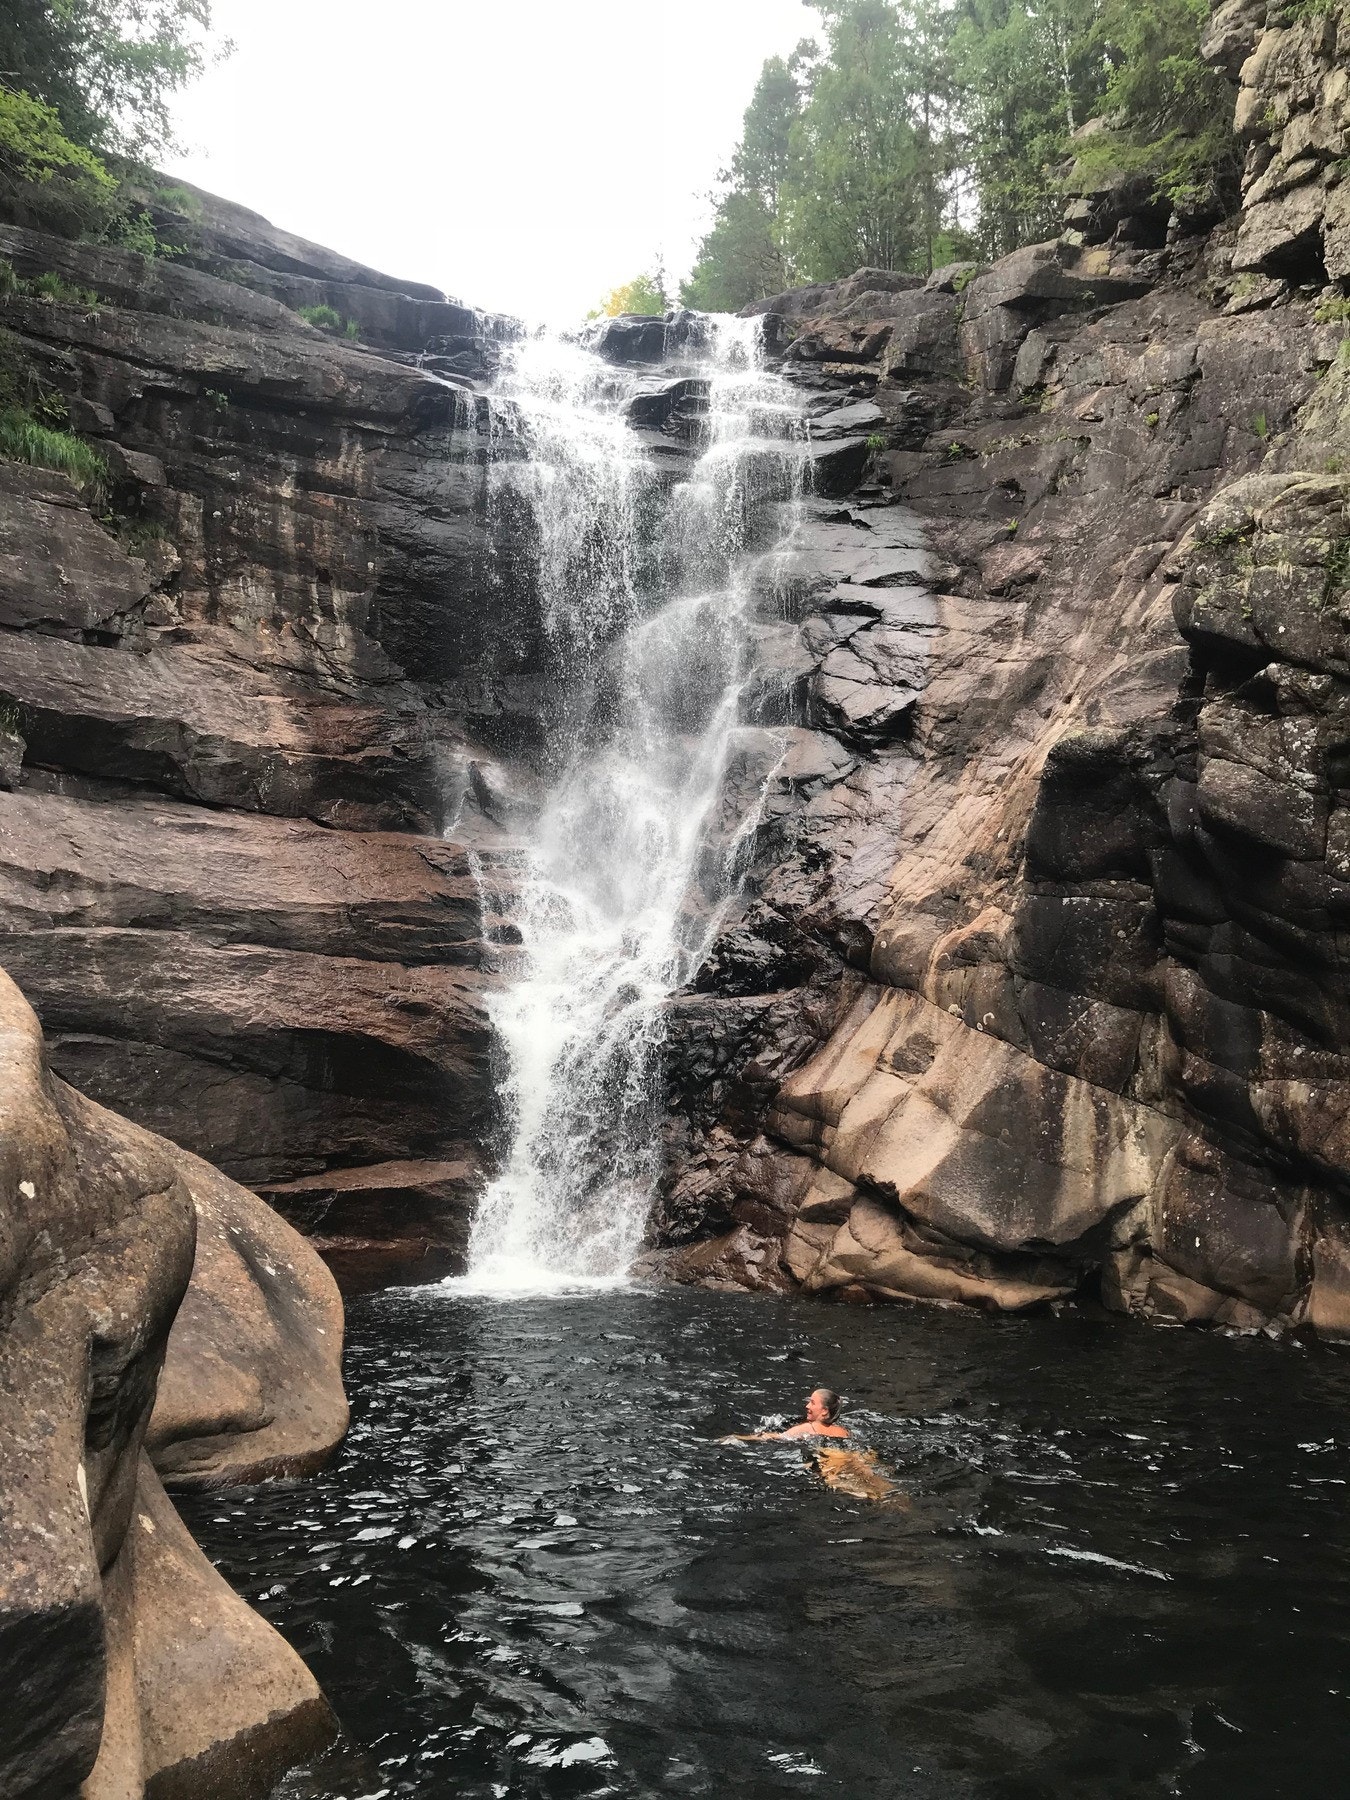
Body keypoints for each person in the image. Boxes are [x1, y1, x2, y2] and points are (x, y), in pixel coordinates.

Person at [722, 1387, 850, 1443]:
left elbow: (777, 1437)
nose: (807, 1406)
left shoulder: (808, 1428)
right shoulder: (843, 1431)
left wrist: (738, 1437)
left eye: (812, 1403)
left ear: (824, 1411)